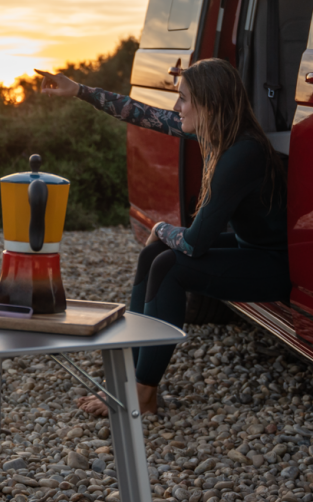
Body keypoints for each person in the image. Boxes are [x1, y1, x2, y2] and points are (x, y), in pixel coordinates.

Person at [36, 58, 288, 416]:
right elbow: (139, 113)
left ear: (210, 104)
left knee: (170, 264)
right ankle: (131, 380)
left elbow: (194, 243)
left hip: (274, 267)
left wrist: (159, 228)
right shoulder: (218, 131)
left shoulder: (241, 155)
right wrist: (78, 89)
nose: (175, 108)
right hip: (254, 249)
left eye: (183, 99)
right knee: (151, 257)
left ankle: (144, 394)